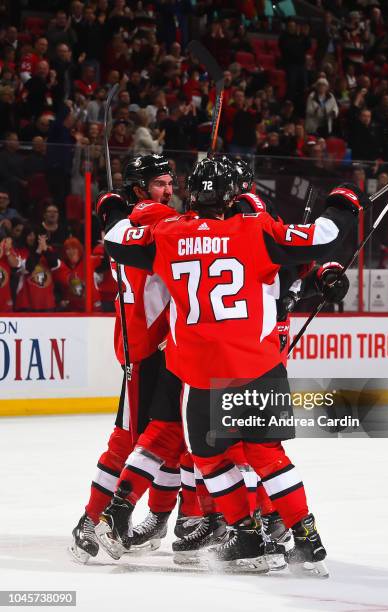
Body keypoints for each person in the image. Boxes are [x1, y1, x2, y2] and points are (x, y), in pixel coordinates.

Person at [100, 157, 366, 573]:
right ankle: (306, 539)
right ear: (234, 196)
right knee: (267, 453)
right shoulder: (256, 228)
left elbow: (116, 239)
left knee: (207, 456)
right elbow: (323, 239)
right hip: (260, 360)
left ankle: (244, 533)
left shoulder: (168, 233)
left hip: (199, 367)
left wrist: (110, 205)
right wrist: (344, 201)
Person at [69, 154, 201, 563]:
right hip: (150, 351)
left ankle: (167, 518)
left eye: (171, 183)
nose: (170, 191)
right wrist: (208, 208)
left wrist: (111, 208)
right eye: (162, 183)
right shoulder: (158, 219)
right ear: (142, 189)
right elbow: (188, 228)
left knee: (175, 438)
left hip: (149, 347)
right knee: (136, 440)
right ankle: (91, 520)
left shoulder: (122, 224)